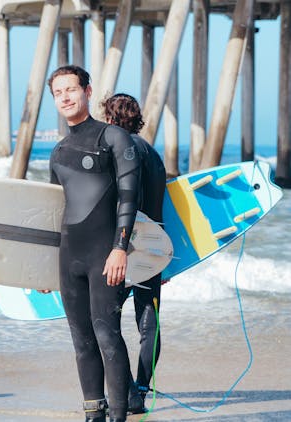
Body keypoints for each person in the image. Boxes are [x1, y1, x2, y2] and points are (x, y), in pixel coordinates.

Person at [47, 65, 140, 422]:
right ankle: (93, 415)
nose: (66, 97)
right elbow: (52, 212)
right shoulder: (58, 153)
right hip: (70, 257)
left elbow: (129, 198)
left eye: (72, 89)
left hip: (105, 253)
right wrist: (40, 267)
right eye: (59, 93)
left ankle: (118, 416)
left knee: (106, 333)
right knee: (81, 340)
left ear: (87, 91)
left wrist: (121, 247)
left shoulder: (114, 138)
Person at [102, 93, 167, 414]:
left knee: (106, 324)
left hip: (120, 248)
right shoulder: (155, 155)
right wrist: (165, 258)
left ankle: (126, 392)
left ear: (109, 119)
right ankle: (140, 388)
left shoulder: (117, 149)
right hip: (153, 249)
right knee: (149, 322)